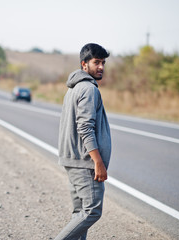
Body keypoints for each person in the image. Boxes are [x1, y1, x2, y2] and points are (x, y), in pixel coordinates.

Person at [55, 43, 112, 240]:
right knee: (92, 211)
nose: (101, 67)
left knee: (79, 214)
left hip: (72, 160)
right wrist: (97, 161)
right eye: (96, 62)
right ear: (84, 64)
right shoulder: (88, 89)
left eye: (103, 62)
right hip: (84, 162)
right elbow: (85, 128)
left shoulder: (73, 88)